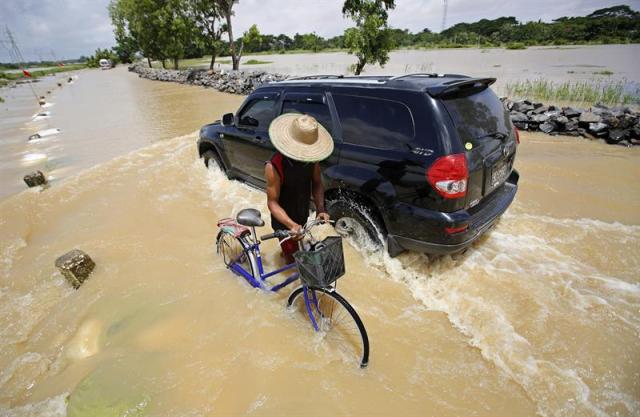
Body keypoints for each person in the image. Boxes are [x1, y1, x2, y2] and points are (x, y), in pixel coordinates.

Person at [265, 113, 333, 263]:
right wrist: (292, 225)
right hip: (284, 222)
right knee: (292, 261)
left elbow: (317, 183)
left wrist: (321, 208)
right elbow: (272, 203)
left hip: (302, 214)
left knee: (303, 253)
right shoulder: (274, 165)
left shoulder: (311, 160)